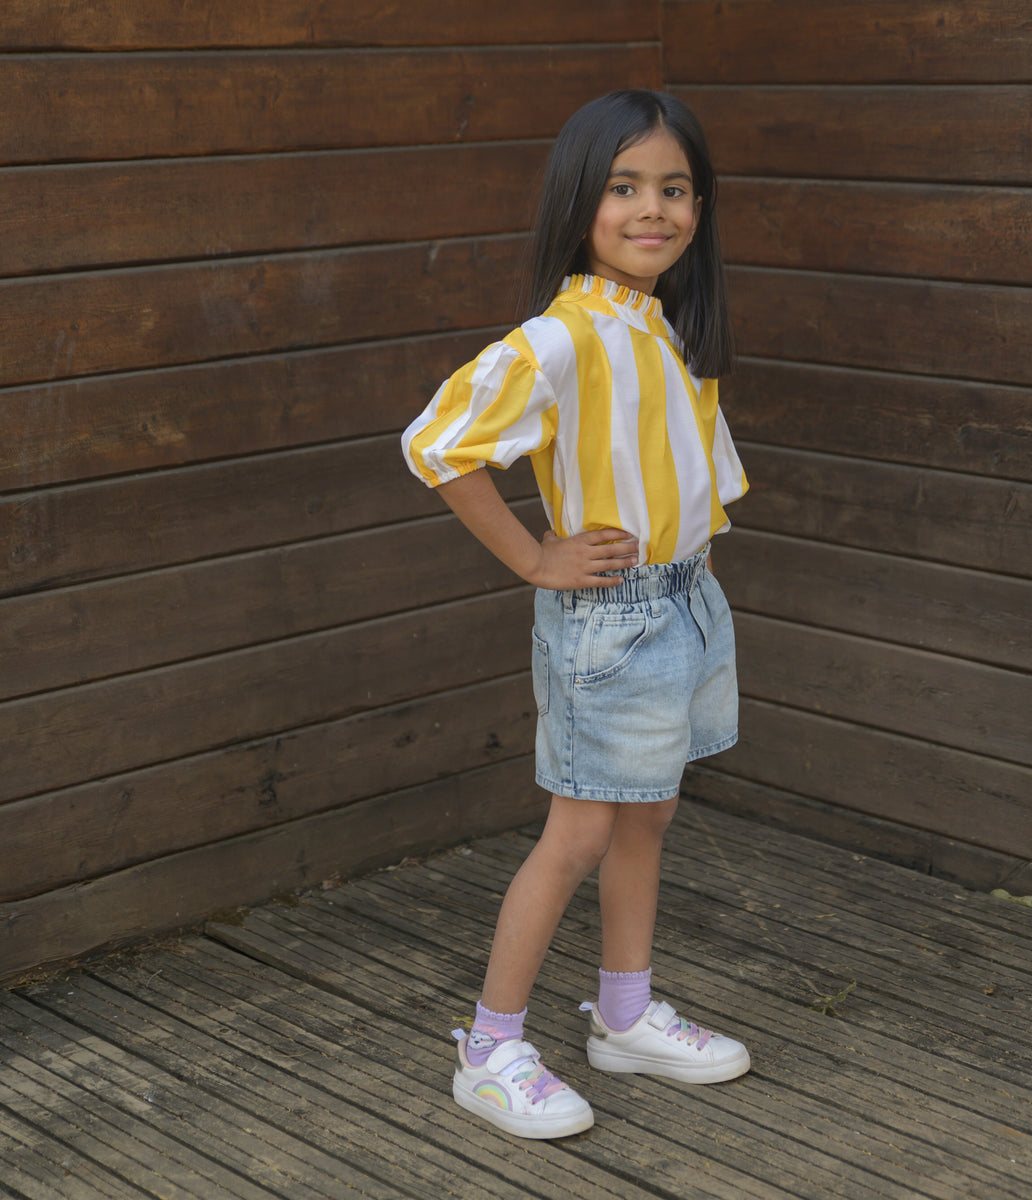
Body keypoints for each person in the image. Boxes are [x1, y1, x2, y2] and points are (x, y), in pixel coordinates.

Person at [401, 89, 750, 1139]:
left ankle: (625, 1014)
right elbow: (439, 443)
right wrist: (533, 558)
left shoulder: (666, 326)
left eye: (675, 188)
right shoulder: (563, 337)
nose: (655, 210)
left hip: (688, 601)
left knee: (648, 812)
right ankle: (491, 1045)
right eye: (625, 187)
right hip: (615, 623)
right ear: (579, 203)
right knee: (580, 828)